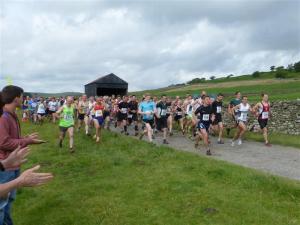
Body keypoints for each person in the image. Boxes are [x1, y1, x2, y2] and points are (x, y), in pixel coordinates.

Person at [0, 85, 46, 225]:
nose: (24, 99)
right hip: (4, 167)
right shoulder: (3, 116)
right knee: (2, 204)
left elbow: (9, 138)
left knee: (8, 202)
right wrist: (28, 141)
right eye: (22, 96)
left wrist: (25, 138)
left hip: (12, 164)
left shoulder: (11, 114)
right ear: (16, 98)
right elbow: (3, 142)